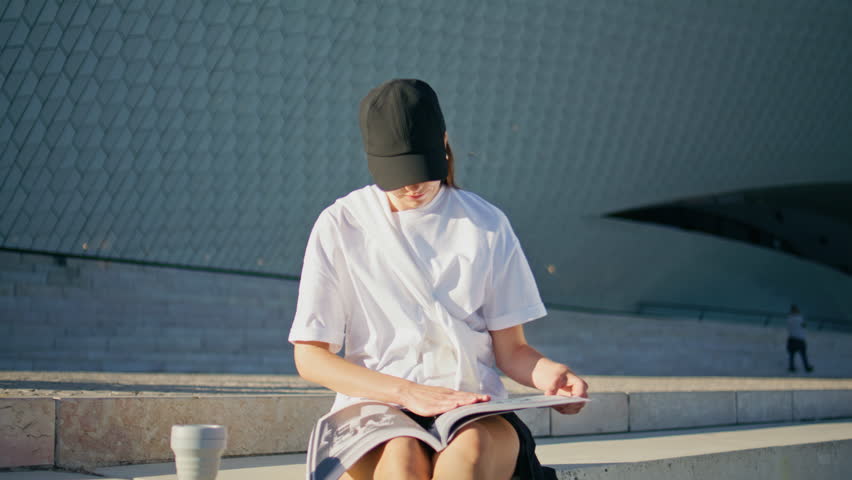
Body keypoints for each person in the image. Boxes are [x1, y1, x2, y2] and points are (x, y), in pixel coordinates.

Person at [289, 78, 588, 480]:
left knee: (467, 457)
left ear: (444, 144)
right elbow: (310, 356)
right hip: (377, 406)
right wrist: (407, 393)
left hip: (471, 405)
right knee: (401, 462)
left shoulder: (485, 224)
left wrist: (553, 375)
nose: (411, 185)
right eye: (396, 173)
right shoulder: (341, 224)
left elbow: (512, 350)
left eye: (420, 169)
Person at [786, 304, 814, 373]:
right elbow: (804, 326)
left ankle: (791, 367)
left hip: (791, 338)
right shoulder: (799, 318)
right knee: (803, 355)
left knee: (792, 355)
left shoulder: (789, 318)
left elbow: (789, 327)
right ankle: (807, 367)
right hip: (800, 339)